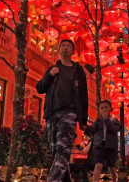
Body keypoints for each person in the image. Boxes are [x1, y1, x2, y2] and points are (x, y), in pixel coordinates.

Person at [37, 39, 88, 182]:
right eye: (63, 46)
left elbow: (83, 96)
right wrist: (49, 75)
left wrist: (83, 119)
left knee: (63, 150)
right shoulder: (53, 69)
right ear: (59, 50)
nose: (65, 48)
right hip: (52, 114)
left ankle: (52, 180)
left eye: (69, 46)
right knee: (55, 151)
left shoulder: (78, 71)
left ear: (73, 52)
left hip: (69, 113)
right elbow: (39, 88)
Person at [88, 100, 121, 182]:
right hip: (100, 145)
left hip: (110, 147)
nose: (104, 109)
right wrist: (85, 127)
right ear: (99, 110)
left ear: (111, 109)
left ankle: (114, 180)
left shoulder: (114, 121)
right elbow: (91, 128)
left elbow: (114, 129)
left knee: (111, 167)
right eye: (102, 108)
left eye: (106, 107)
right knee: (98, 165)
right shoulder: (98, 121)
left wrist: (106, 119)